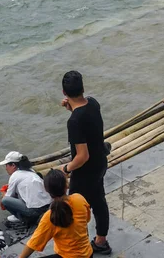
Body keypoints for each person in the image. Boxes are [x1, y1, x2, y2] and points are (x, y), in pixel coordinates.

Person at [60, 71, 112, 255]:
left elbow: (82, 156)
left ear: (64, 93)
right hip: (100, 163)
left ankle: (78, 248)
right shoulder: (93, 103)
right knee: (98, 201)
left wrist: (65, 169)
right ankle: (101, 241)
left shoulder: (74, 121)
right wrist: (71, 108)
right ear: (83, 88)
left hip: (85, 171)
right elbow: (85, 117)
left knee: (73, 210)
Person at [19, 169, 93, 258]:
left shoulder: (50, 216)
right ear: (66, 185)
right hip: (88, 254)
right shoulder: (79, 199)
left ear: (47, 190)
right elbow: (87, 219)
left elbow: (33, 243)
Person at [0, 151, 52, 226]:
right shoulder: (31, 171)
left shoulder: (15, 175)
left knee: (5, 200)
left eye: (7, 165)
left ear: (13, 165)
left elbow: (8, 197)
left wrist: (3, 192)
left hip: (36, 211)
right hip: (48, 205)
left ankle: (22, 218)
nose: (6, 168)